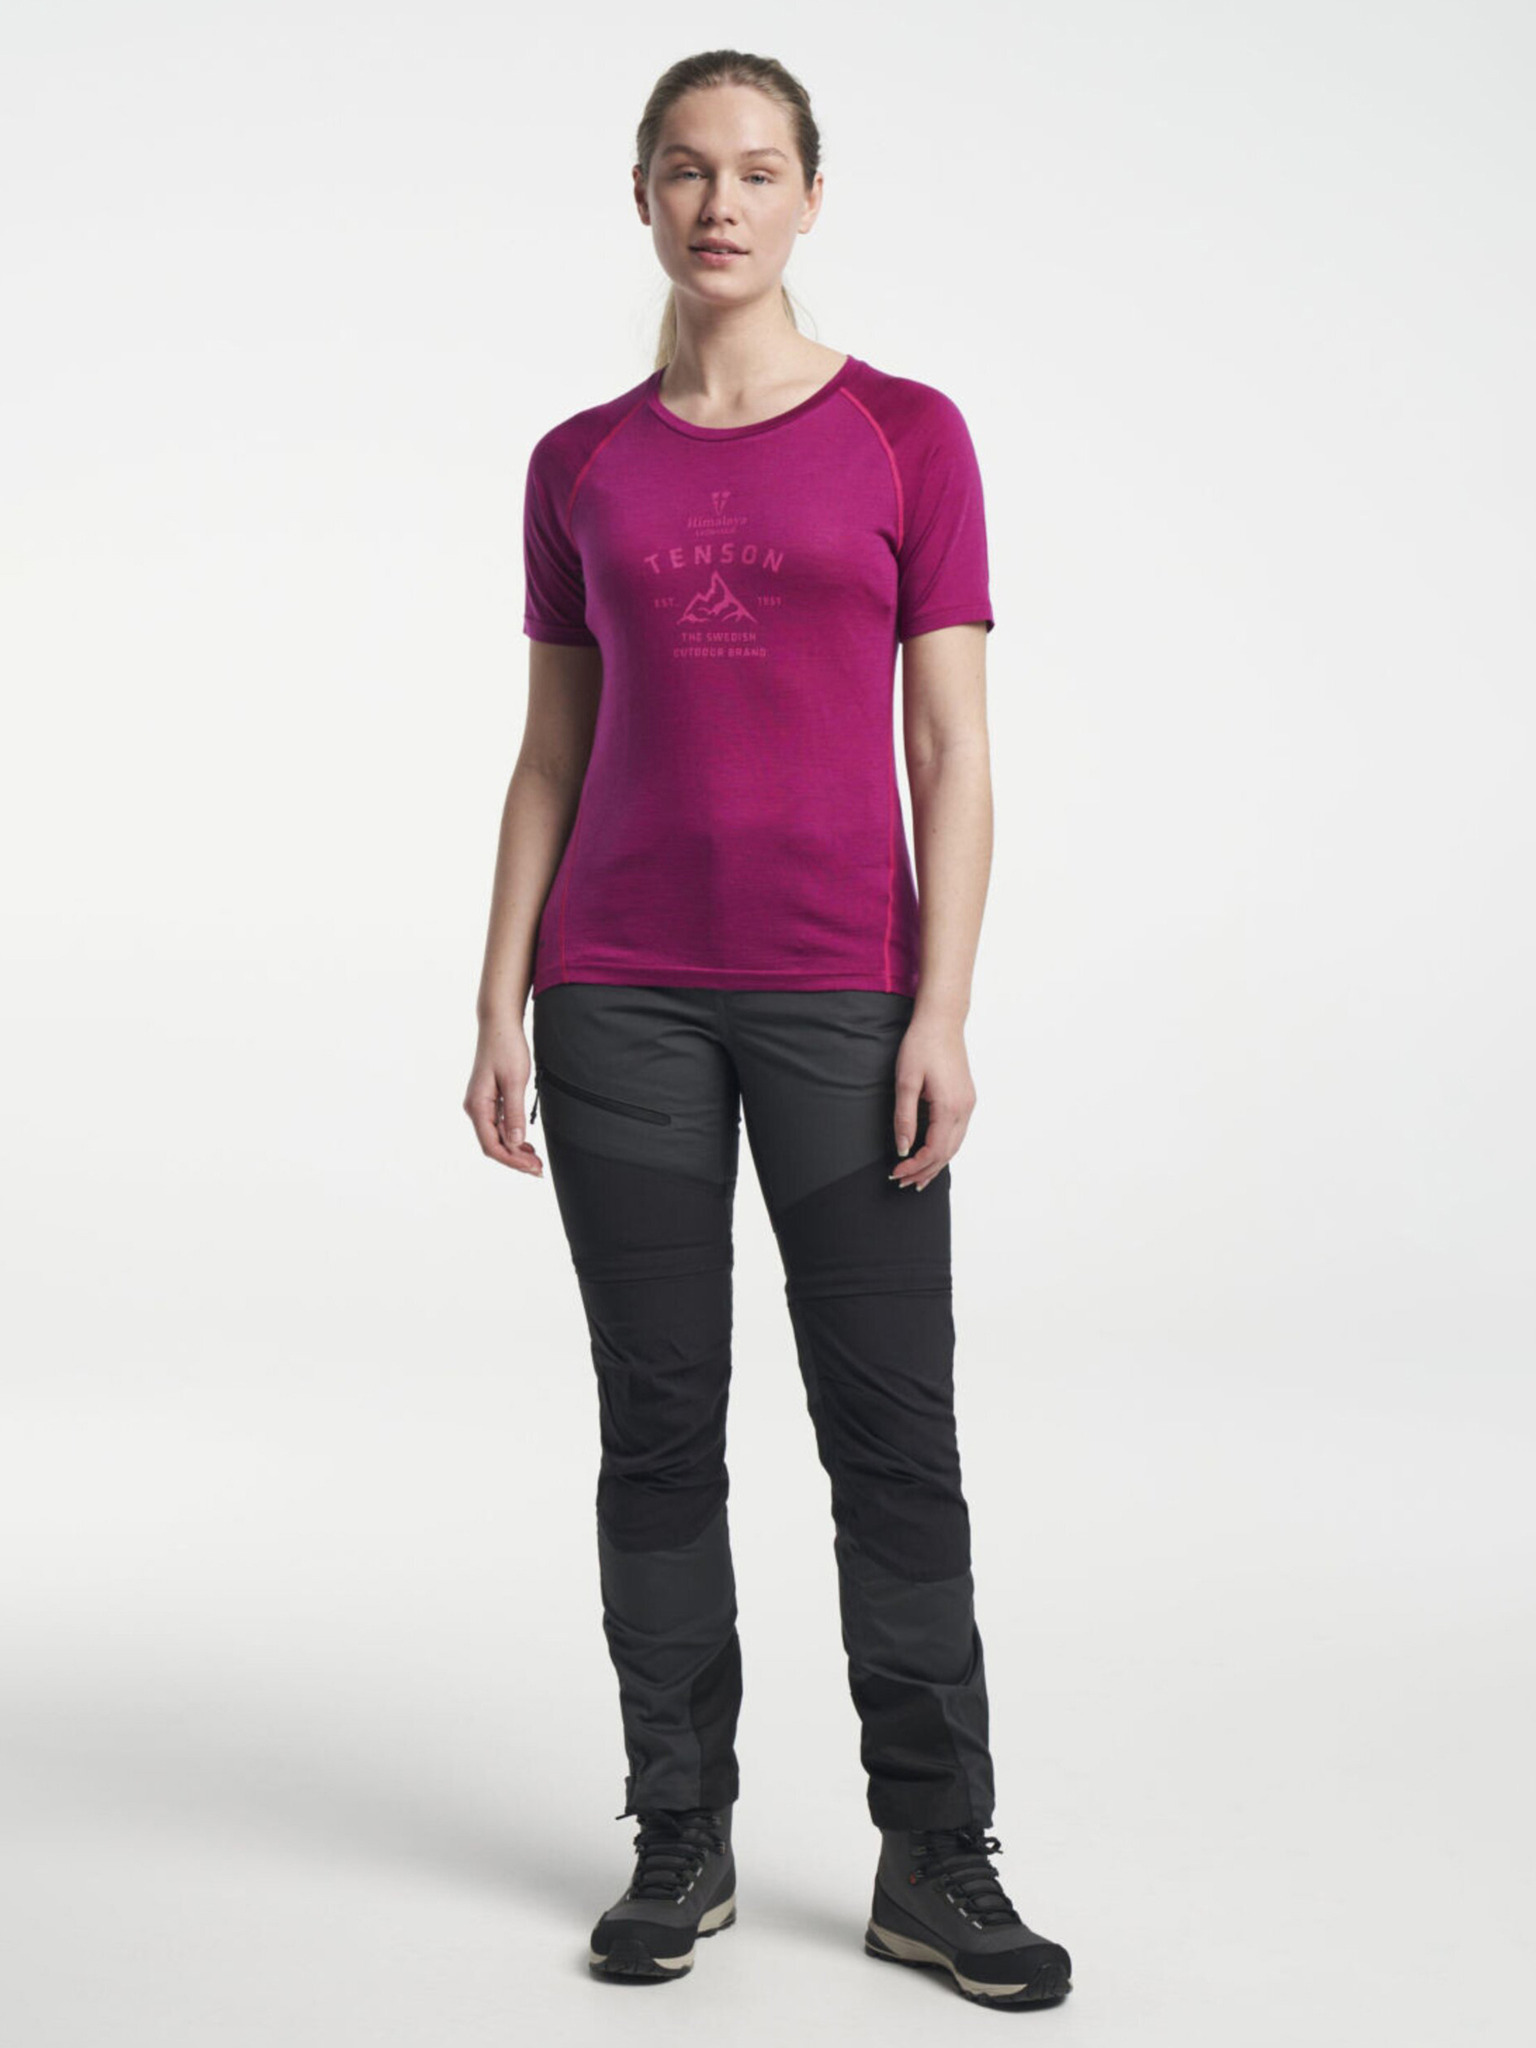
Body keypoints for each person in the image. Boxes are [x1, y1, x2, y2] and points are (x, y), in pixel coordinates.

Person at [464, 48, 1073, 2011]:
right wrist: (498, 989)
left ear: (812, 196)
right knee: (658, 1426)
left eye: (754, 169)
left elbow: (954, 747)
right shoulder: (581, 463)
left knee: (893, 1437)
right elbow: (551, 753)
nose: (718, 203)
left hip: (844, 997)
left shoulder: (906, 437)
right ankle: (681, 1835)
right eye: (683, 170)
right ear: (641, 196)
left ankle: (937, 1856)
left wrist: (943, 1004)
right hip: (617, 994)